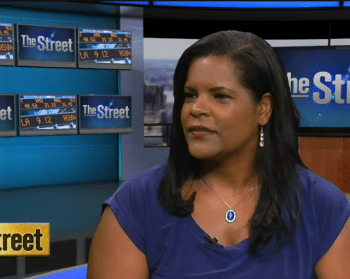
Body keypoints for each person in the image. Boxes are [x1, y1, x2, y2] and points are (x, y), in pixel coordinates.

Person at [87, 30, 350, 279]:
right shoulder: (136, 206)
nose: (196, 108)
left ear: (264, 109)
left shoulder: (322, 207)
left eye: (220, 96)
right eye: (190, 95)